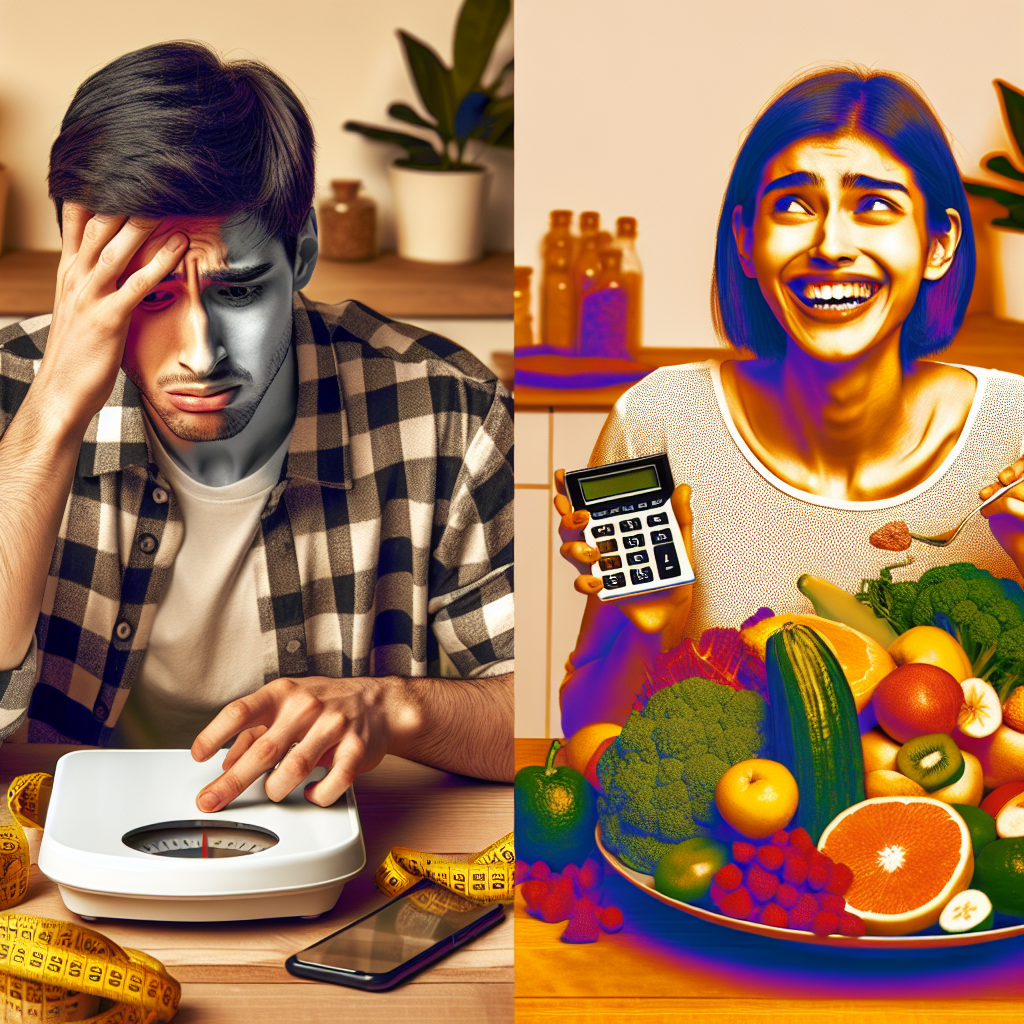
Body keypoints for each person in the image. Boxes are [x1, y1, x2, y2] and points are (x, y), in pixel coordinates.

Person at [0, 42, 514, 809]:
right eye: (149, 296)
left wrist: (395, 708)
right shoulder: (10, 391)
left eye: (238, 291)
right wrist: (45, 424)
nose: (201, 354)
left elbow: (544, 725)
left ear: (302, 252)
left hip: (353, 857)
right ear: (78, 274)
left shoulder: (449, 410)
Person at [555, 66, 1024, 733]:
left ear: (939, 244)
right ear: (746, 242)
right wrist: (651, 623)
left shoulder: (1019, 432)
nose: (831, 245)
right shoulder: (652, 422)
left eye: (875, 206)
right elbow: (585, 732)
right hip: (738, 836)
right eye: (794, 206)